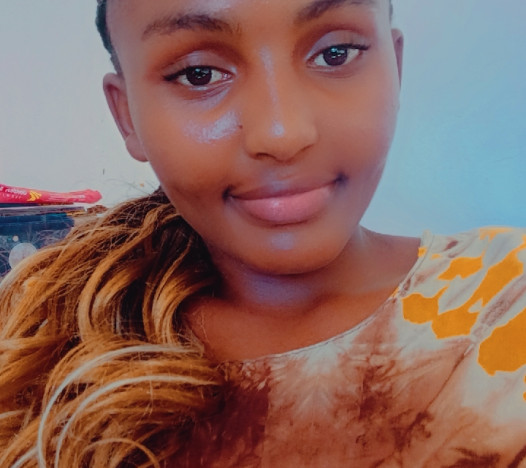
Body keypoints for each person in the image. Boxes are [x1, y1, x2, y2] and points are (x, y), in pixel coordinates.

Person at [1, 0, 525, 466]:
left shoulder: (506, 297)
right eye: (200, 74)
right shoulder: (39, 342)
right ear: (127, 117)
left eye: (335, 54)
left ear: (396, 67)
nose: (282, 134)